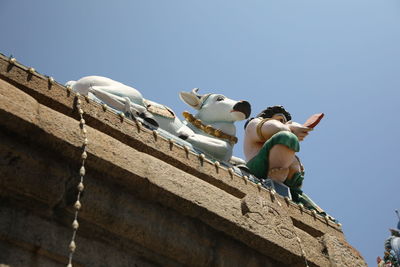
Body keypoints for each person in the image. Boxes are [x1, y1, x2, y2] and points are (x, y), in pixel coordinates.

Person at [243, 105, 322, 211]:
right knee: (287, 138)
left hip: (290, 186)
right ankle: (275, 183)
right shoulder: (254, 124)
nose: (284, 123)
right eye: (280, 119)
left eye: (286, 122)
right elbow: (276, 129)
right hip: (259, 169)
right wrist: (290, 128)